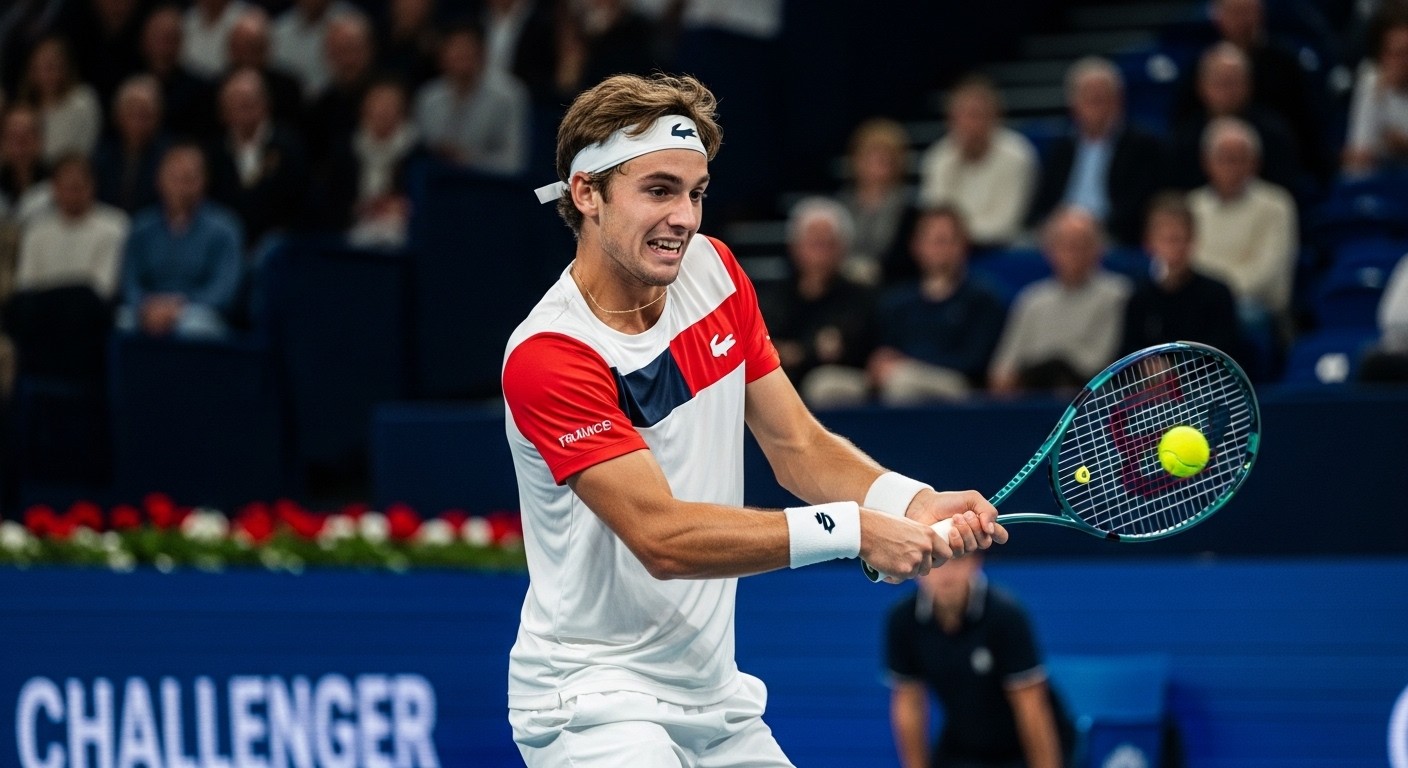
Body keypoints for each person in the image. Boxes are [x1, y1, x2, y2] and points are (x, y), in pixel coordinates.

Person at [503, 72, 1006, 768]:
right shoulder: (550, 355)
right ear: (586, 193)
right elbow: (663, 536)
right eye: (658, 190)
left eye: (696, 192)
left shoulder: (713, 272)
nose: (685, 216)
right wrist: (854, 530)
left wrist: (909, 500)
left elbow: (795, 445)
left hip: (717, 701)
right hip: (592, 702)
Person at [885, 550, 1073, 768]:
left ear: (975, 561)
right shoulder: (902, 620)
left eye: (956, 560)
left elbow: (1031, 708)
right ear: (916, 568)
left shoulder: (1006, 615)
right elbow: (910, 706)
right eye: (935, 562)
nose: (946, 573)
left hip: (1020, 751)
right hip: (961, 749)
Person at [869, 205, 1008, 405]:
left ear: (963, 246)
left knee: (901, 379)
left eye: (947, 241)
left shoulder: (983, 299)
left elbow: (975, 362)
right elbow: (885, 350)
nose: (940, 249)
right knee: (830, 384)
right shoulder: (897, 302)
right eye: (933, 241)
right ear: (916, 247)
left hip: (957, 386)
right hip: (897, 378)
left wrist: (907, 364)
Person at [988, 207, 1131, 395]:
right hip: (1031, 399)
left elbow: (1100, 364)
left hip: (1088, 404)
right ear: (1049, 251)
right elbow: (1002, 371)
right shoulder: (1032, 300)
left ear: (1098, 249)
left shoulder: (1118, 295)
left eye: (1081, 244)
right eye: (1066, 245)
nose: (1073, 253)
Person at [1028, 56, 1166, 248]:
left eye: (1101, 97)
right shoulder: (1062, 147)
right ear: (1074, 103)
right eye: (1088, 97)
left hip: (1111, 236)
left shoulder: (1143, 146)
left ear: (1118, 100)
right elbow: (1042, 204)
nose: (1095, 105)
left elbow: (1136, 207)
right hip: (1061, 235)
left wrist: (1089, 228)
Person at [755, 196, 877, 407]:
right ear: (795, 247)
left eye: (828, 244)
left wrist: (797, 352)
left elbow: (841, 348)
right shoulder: (775, 296)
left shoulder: (858, 297)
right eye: (814, 243)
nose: (820, 253)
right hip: (782, 378)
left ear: (843, 248)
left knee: (824, 384)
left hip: (840, 382)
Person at [118, 143, 243, 340]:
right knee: (122, 321)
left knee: (196, 326)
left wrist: (179, 307)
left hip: (196, 310)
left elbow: (224, 288)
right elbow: (129, 280)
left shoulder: (225, 228)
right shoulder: (142, 227)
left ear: (204, 182)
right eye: (175, 178)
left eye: (190, 179)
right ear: (159, 181)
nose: (182, 187)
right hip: (148, 308)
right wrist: (145, 306)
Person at [1187, 116, 1298, 337]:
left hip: (1253, 305)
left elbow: (1268, 273)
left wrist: (1213, 295)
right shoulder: (1192, 205)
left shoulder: (1276, 205)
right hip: (1198, 301)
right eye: (1224, 158)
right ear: (1207, 162)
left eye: (1239, 159)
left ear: (1255, 163)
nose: (1231, 167)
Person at [916, 75, 1036, 249]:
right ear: (950, 120)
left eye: (977, 115)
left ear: (996, 118)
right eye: (963, 115)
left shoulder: (1017, 156)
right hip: (948, 247)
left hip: (998, 248)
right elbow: (934, 214)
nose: (970, 124)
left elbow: (1005, 223)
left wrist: (955, 236)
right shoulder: (938, 158)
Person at [1119, 191, 1244, 358]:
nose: (1174, 249)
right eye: (1166, 239)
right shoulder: (1139, 297)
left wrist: (1175, 368)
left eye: (1179, 239)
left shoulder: (1217, 294)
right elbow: (1128, 352)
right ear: (1149, 243)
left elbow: (1224, 351)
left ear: (1193, 240)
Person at [413, 21, 529, 176]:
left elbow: (514, 162)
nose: (461, 53)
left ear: (483, 53)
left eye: (467, 47)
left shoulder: (509, 95)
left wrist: (469, 160)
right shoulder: (428, 98)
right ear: (441, 55)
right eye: (454, 47)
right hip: (439, 186)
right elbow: (419, 158)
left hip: (488, 187)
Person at [15, 152, 127, 300]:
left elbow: (103, 287)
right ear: (54, 188)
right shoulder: (36, 230)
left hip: (89, 312)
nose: (71, 195)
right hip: (42, 312)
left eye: (76, 187)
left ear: (91, 186)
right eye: (65, 187)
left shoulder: (115, 226)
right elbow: (25, 283)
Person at [835, 117, 915, 284]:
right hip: (843, 283)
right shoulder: (840, 205)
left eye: (884, 159)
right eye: (871, 158)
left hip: (889, 284)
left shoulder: (909, 210)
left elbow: (904, 258)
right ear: (856, 161)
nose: (877, 166)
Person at [92, 74, 172, 215]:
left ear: (158, 116)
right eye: (131, 112)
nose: (137, 120)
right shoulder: (101, 154)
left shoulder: (169, 156)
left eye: (144, 113)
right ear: (117, 115)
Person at [1343, 7, 1408, 175]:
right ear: (1381, 54)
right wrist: (1378, 98)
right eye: (1396, 53)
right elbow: (1358, 155)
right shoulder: (1370, 78)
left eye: (1407, 53)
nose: (1403, 62)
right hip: (1379, 178)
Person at [16, 35, 102, 163]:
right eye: (40, 67)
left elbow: (87, 149)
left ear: (64, 68)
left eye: (52, 67)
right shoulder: (24, 111)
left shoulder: (83, 101)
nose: (46, 75)